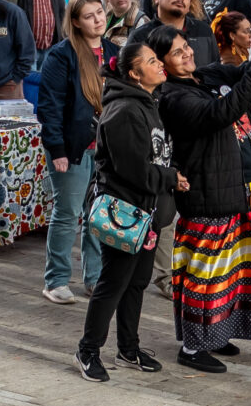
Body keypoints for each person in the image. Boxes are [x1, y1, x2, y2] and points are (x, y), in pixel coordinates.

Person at [154, 19, 251, 371]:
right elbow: (221, 112)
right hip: (208, 195)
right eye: (176, 53)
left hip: (242, 187)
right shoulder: (173, 97)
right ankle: (193, 347)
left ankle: (218, 334)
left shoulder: (203, 76)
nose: (187, 54)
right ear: (161, 64)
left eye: (186, 47)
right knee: (206, 274)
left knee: (234, 272)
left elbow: (243, 74)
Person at [76, 33, 180, 382]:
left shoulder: (148, 102)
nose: (160, 64)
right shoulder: (123, 111)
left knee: (137, 282)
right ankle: (88, 350)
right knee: (113, 283)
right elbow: (133, 170)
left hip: (147, 214)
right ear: (134, 74)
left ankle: (128, 348)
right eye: (152, 61)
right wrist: (172, 177)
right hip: (124, 214)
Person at [35, 0, 111, 304]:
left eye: (100, 12)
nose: (97, 19)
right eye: (89, 16)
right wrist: (57, 149)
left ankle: (95, 279)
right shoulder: (61, 55)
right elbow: (49, 106)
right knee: (67, 214)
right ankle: (55, 281)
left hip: (106, 149)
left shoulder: (114, 51)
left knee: (97, 216)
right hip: (72, 147)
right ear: (76, 22)